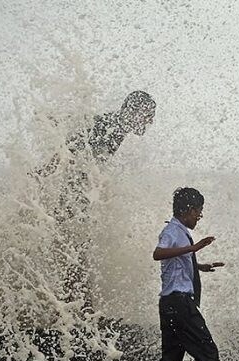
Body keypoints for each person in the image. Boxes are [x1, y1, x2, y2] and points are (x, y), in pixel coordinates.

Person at [32, 91, 156, 310]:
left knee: (77, 250)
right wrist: (45, 171)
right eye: (148, 115)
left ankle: (76, 307)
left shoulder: (116, 127)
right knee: (76, 250)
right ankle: (79, 309)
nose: (150, 121)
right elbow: (71, 146)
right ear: (134, 112)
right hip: (74, 197)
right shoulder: (111, 126)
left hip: (79, 197)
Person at [135, 187, 233, 361]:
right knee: (209, 353)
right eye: (198, 211)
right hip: (179, 304)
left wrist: (199, 266)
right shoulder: (172, 230)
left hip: (170, 304)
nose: (199, 216)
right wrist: (194, 248)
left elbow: (176, 262)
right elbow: (158, 254)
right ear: (188, 210)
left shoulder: (179, 231)